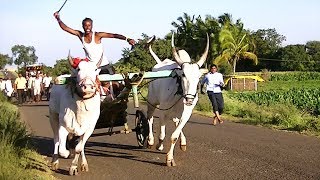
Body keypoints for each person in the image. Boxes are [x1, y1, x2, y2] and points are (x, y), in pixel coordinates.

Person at [53, 11, 136, 74]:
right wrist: (58, 19)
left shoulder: (97, 35)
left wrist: (127, 39)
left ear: (92, 26)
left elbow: (113, 35)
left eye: (89, 25)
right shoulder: (80, 35)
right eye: (85, 25)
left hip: (104, 66)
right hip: (91, 68)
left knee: (115, 86)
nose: (87, 27)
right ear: (83, 26)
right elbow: (66, 28)